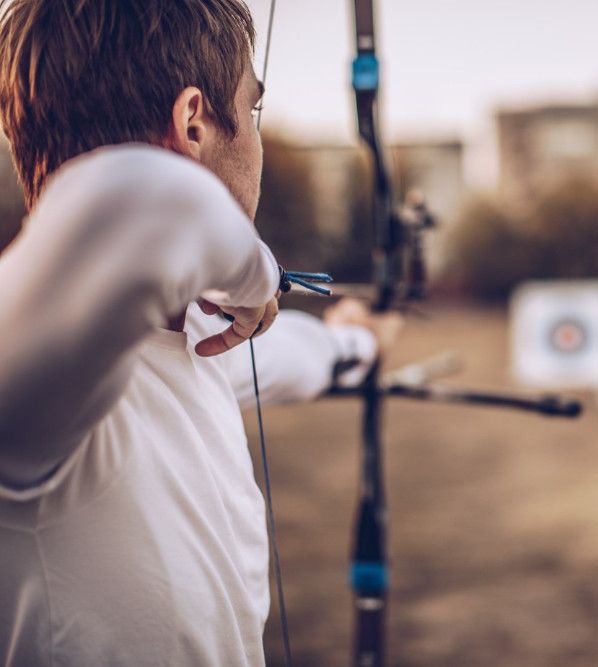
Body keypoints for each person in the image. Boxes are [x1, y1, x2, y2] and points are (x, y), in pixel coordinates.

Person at [0, 1, 394, 664]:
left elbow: (290, 355)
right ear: (193, 122)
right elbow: (143, 196)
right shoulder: (34, 379)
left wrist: (357, 341)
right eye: (254, 111)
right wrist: (255, 275)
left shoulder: (193, 338)